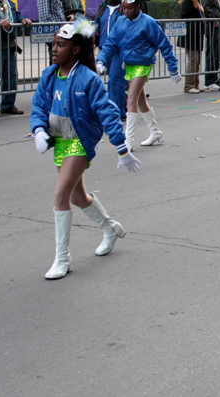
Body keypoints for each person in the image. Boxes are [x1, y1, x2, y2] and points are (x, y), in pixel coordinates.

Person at [30, 22, 141, 280]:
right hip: (59, 140)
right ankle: (110, 228)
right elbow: (38, 107)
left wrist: (122, 148)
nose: (54, 49)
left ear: (76, 49)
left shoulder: (87, 79)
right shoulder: (49, 75)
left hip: (79, 141)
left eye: (61, 45)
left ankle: (62, 259)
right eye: (54, 44)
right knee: (78, 197)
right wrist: (38, 130)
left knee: (60, 195)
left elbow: (108, 112)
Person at [96, 0, 181, 150]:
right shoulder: (120, 21)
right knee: (141, 101)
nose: (126, 11)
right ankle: (156, 132)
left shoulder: (148, 22)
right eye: (124, 8)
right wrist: (100, 59)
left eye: (130, 8)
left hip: (143, 64)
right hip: (128, 64)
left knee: (131, 99)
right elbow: (110, 43)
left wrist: (173, 68)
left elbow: (164, 44)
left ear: (138, 6)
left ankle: (128, 140)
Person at [93, 0, 126, 118]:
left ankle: (114, 111)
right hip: (104, 48)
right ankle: (121, 109)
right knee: (113, 81)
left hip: (118, 49)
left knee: (115, 79)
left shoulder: (124, 7)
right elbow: (97, 24)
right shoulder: (103, 6)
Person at [178, 0, 206, 93]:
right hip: (190, 35)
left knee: (198, 60)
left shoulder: (197, 0)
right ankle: (189, 85)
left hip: (197, 35)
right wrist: (196, 25)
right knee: (193, 60)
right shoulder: (188, 0)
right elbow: (184, 17)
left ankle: (196, 84)